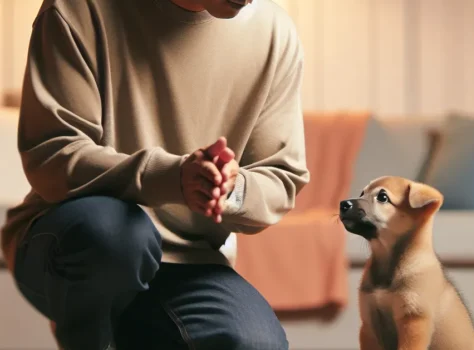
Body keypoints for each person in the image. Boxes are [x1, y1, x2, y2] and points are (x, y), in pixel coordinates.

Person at [0, 0, 310, 348]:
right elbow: (53, 154)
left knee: (256, 343)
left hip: (188, 262)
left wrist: (229, 189)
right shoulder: (79, 8)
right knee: (116, 239)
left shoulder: (274, 30)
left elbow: (281, 176)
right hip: (73, 241)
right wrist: (172, 178)